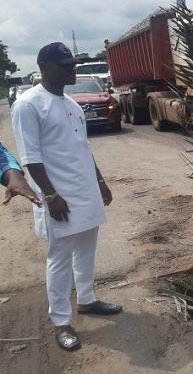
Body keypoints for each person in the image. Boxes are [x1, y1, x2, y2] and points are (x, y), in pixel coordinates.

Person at [11, 42, 122, 352]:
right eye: (65, 65)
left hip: (85, 192)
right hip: (59, 196)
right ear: (45, 68)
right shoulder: (29, 104)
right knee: (59, 259)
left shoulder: (71, 104)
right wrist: (50, 195)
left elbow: (83, 148)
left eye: (72, 63)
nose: (73, 69)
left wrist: (100, 183)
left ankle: (86, 300)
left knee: (87, 248)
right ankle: (61, 321)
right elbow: (30, 158)